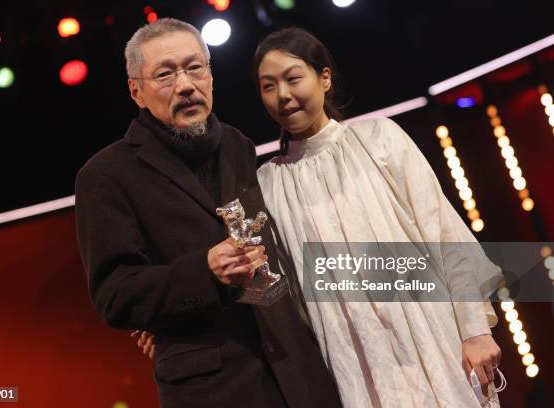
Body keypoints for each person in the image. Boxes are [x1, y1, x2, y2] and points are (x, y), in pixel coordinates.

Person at [74, 19, 342, 408]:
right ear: (137, 91)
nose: (185, 85)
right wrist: (204, 274)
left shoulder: (238, 146)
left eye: (195, 67)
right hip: (213, 391)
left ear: (210, 76)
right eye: (165, 74)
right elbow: (115, 296)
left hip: (297, 372)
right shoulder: (105, 175)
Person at [253, 27, 504, 407]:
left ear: (324, 78)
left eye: (293, 78)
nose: (283, 95)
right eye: (268, 86)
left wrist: (474, 330)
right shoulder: (267, 184)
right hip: (354, 366)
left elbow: (442, 231)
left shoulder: (379, 139)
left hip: (434, 342)